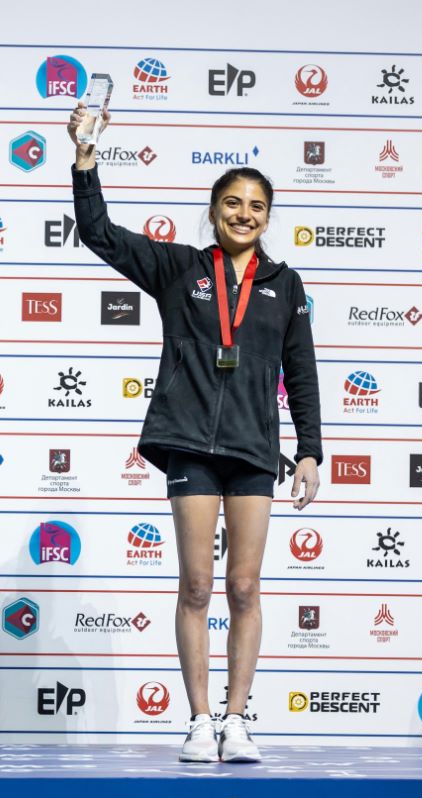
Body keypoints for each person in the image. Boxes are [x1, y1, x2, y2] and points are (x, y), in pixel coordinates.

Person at [68, 103, 323, 763]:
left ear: (269, 217)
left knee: (244, 586)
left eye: (257, 206)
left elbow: (302, 372)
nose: (244, 214)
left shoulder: (284, 284)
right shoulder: (180, 269)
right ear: (214, 210)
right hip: (188, 444)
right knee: (196, 587)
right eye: (232, 203)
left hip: (253, 450)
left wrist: (311, 451)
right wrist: (86, 158)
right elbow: (98, 234)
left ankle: (238, 719)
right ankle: (200, 720)